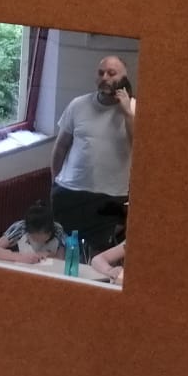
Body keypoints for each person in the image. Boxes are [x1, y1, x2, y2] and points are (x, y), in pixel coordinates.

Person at [50, 56, 136, 255]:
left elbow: (140, 147)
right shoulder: (78, 104)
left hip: (111, 196)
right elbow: (61, 146)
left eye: (112, 73)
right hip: (70, 191)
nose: (105, 77)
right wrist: (54, 182)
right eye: (101, 73)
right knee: (62, 251)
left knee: (98, 256)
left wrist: (126, 113)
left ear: (124, 78)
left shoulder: (134, 108)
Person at [0, 202, 68, 264]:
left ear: (50, 232)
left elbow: (62, 259)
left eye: (44, 240)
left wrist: (49, 255)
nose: (39, 242)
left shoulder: (58, 230)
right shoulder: (20, 228)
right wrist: (20, 257)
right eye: (35, 239)